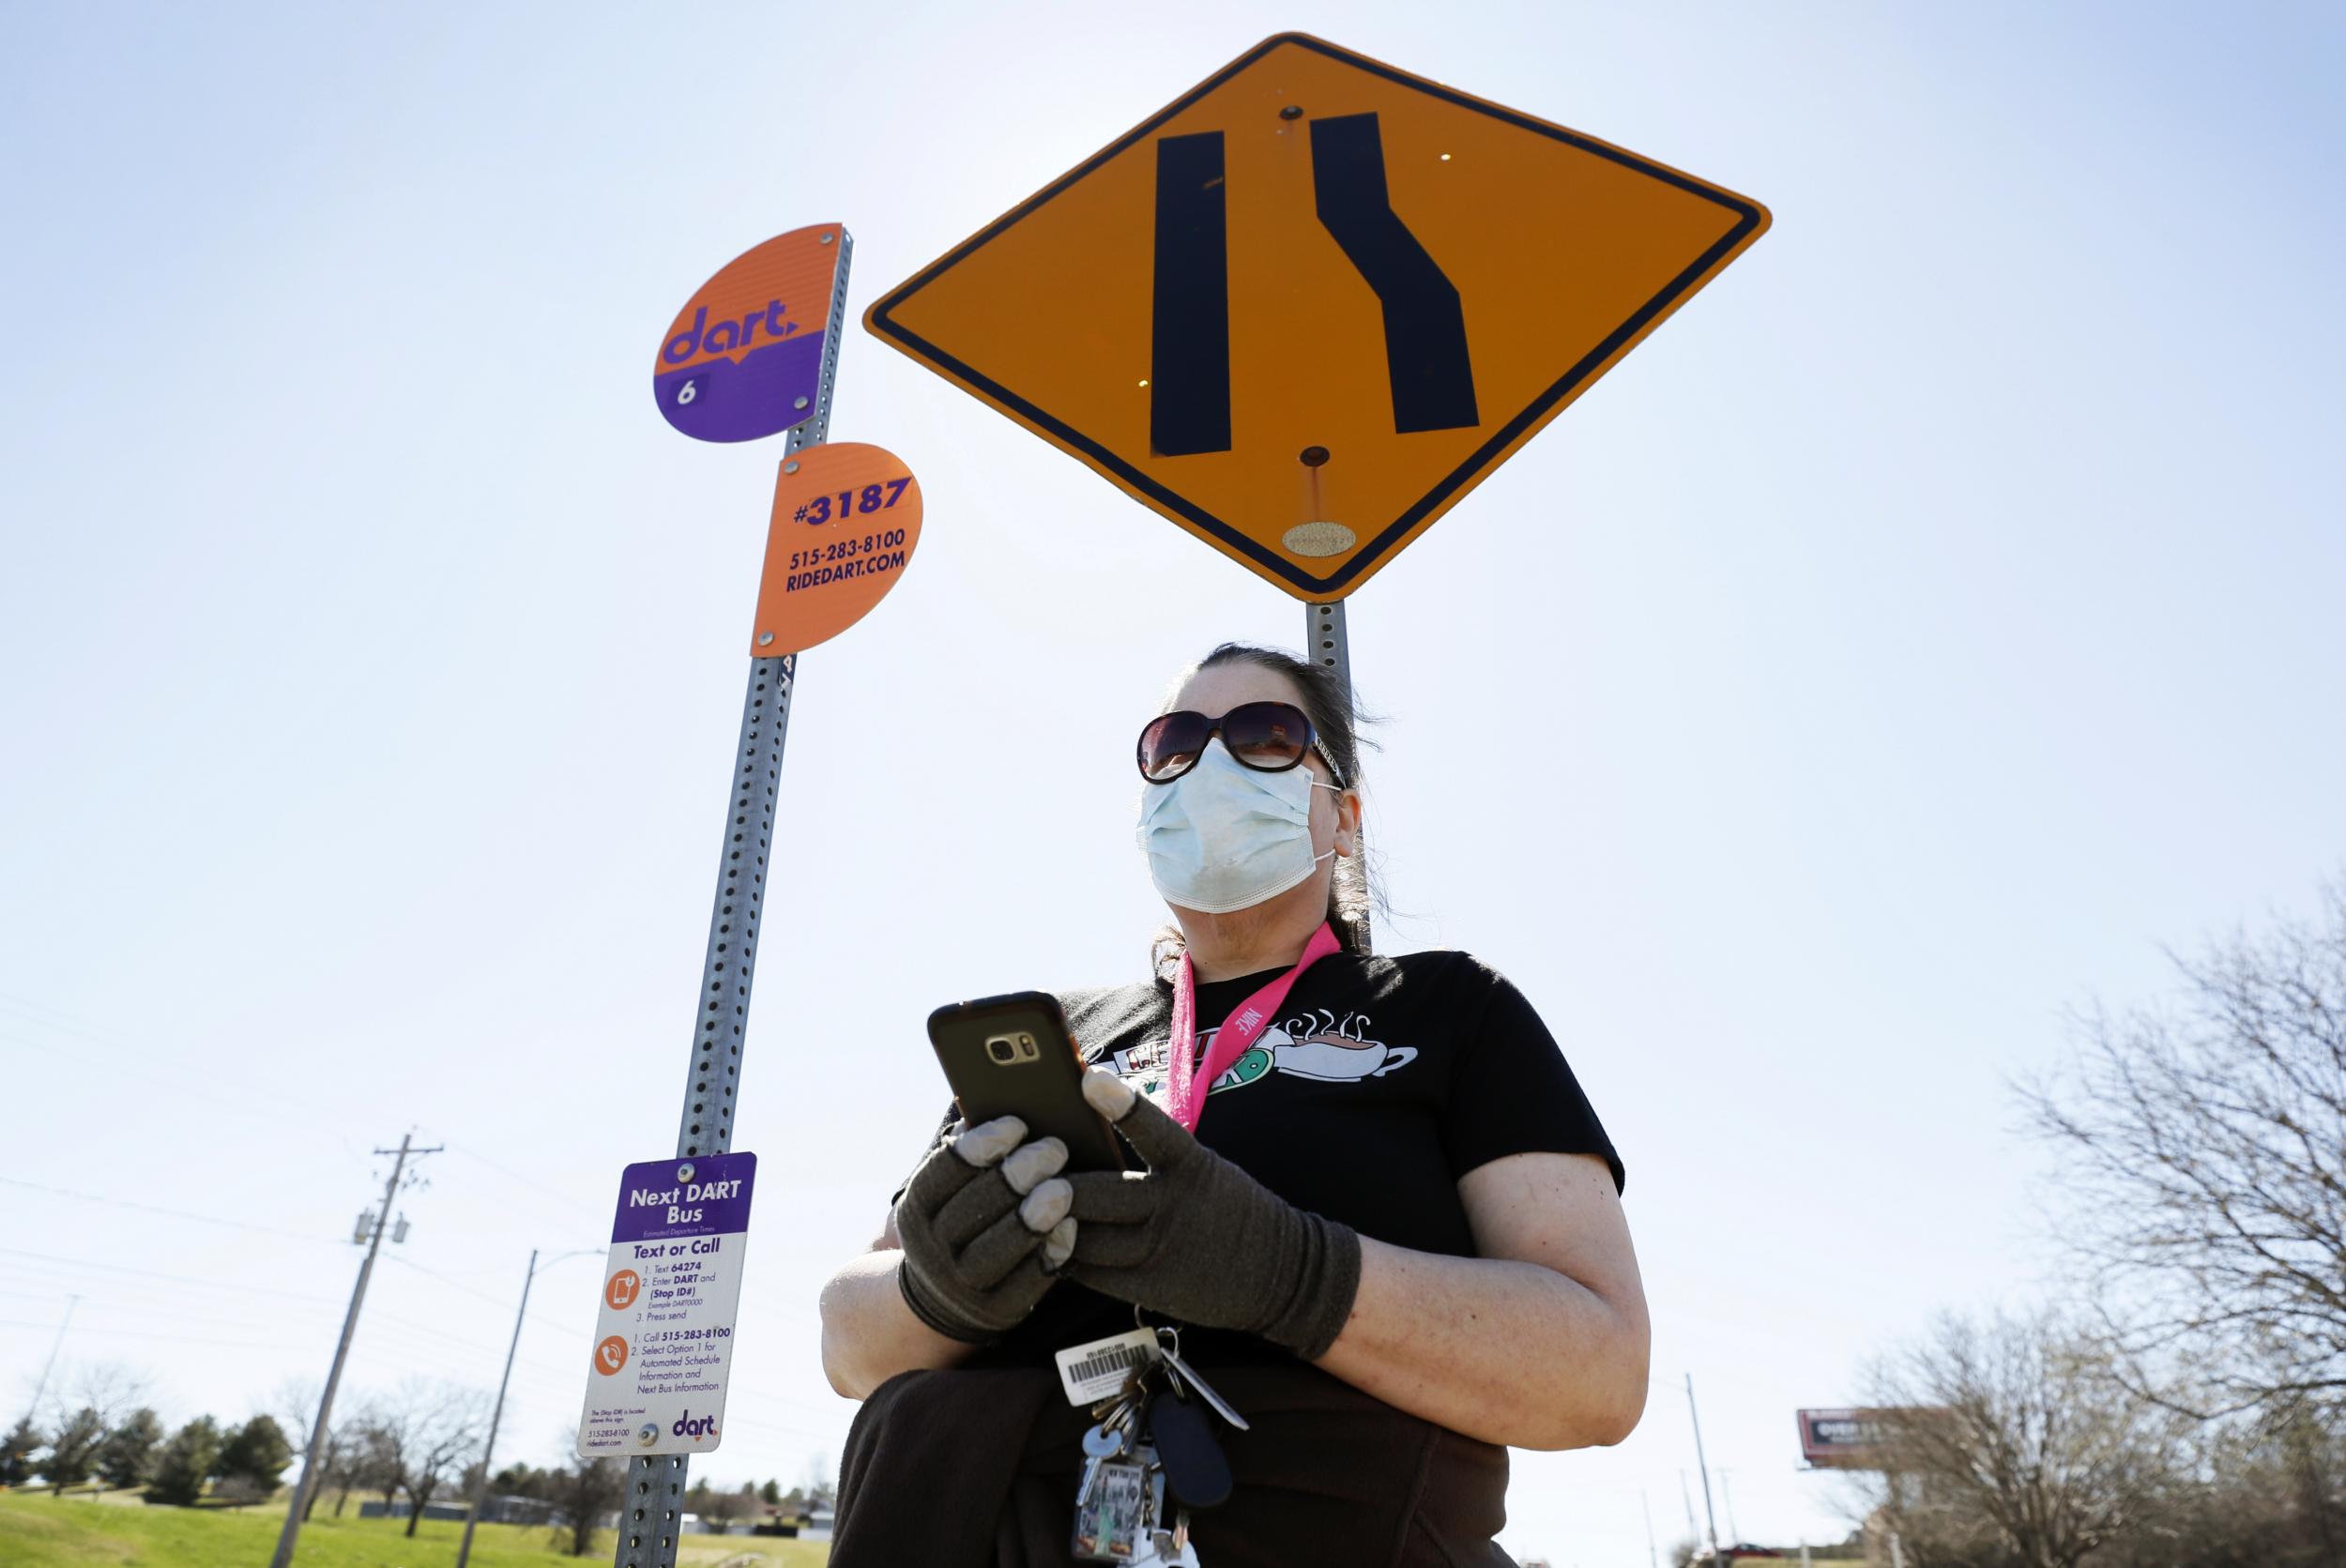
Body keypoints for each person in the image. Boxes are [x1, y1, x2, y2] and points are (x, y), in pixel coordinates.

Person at [818, 643, 1648, 1567]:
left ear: (1343, 811)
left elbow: (1601, 1373)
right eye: (1174, 744)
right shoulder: (1060, 1035)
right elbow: (847, 1347)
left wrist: (1290, 1275)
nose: (1209, 766)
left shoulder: (1454, 1008)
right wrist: (937, 1293)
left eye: (1264, 735)